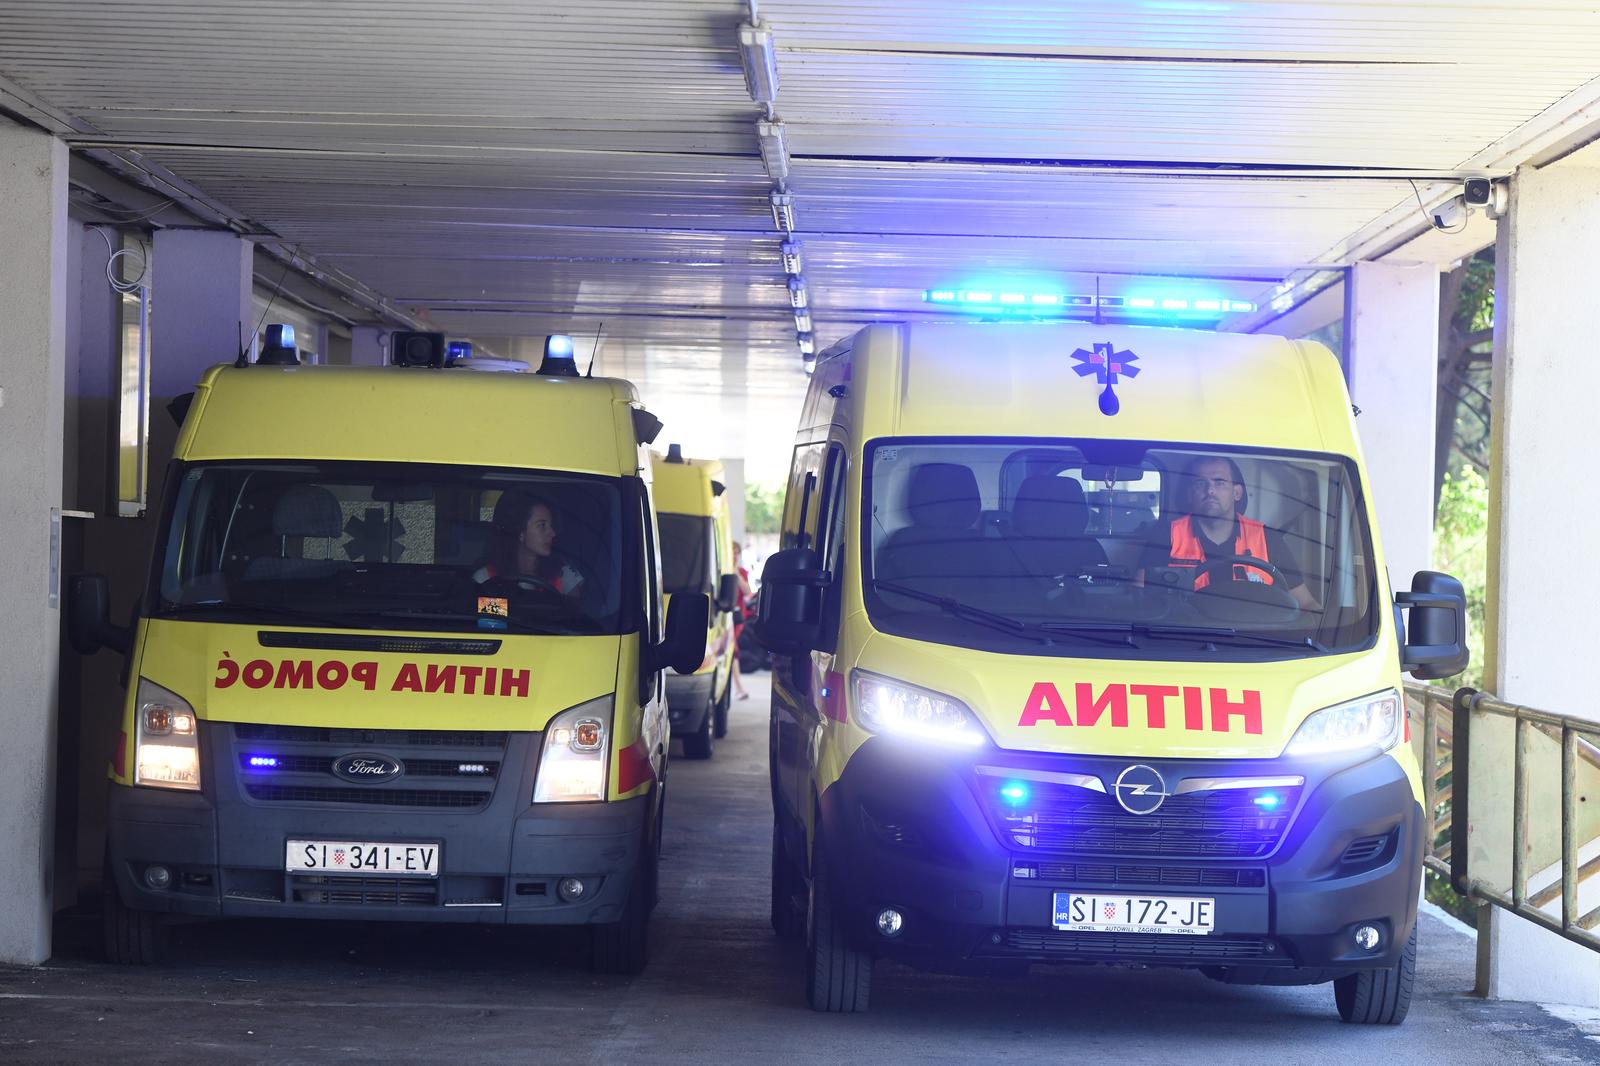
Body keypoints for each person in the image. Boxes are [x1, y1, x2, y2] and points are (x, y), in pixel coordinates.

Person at [1137, 457, 1319, 612]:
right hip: (1185, 641)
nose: (1210, 491)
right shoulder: (1166, 536)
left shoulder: (1267, 538)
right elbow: (1138, 596)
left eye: (1219, 482)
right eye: (1200, 483)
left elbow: (1305, 603)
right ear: (1189, 494)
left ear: (1237, 493)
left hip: (1255, 644)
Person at [474, 491, 586, 596]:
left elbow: (576, 613)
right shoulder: (486, 578)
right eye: (542, 525)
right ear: (520, 532)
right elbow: (482, 614)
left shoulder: (562, 573)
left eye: (551, 525)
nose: (552, 533)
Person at [730, 541, 754, 699]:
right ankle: (738, 687)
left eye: (737, 552)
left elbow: (747, 591)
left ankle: (739, 688)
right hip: (723, 617)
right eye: (732, 552)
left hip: (737, 619)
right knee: (731, 650)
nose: (734, 555)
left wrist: (735, 572)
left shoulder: (742, 572)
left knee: (732, 648)